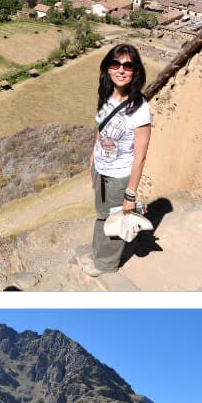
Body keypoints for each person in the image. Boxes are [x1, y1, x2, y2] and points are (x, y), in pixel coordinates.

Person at [80, 44, 152, 277]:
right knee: (102, 216)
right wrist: (93, 158)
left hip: (119, 176)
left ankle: (105, 265)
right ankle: (99, 253)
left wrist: (130, 194)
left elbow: (140, 156)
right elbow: (101, 129)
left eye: (127, 65)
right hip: (101, 171)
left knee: (114, 220)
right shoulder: (106, 95)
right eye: (116, 64)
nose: (121, 70)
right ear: (108, 68)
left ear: (135, 71)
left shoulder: (140, 108)